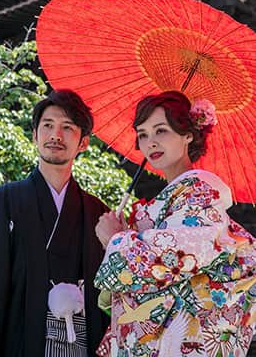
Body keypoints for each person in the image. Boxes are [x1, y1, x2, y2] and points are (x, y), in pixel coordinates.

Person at [94, 91, 255, 357]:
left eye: (161, 131)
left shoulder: (201, 194)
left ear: (188, 134)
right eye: (143, 134)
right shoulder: (175, 196)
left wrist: (116, 239)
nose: (150, 143)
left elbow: (172, 258)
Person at [0, 90, 110, 357]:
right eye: (47, 125)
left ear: (83, 142)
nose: (55, 135)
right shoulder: (3, 202)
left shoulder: (99, 214)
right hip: (20, 341)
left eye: (67, 127)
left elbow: (110, 293)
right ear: (34, 134)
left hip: (82, 344)